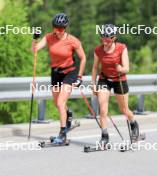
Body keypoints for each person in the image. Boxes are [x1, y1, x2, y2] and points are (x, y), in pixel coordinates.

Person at [32, 13, 86, 144]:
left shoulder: (73, 41)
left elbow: (83, 58)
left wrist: (79, 77)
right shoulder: (49, 37)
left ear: (65, 28)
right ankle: (69, 115)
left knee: (61, 103)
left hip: (69, 73)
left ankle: (62, 135)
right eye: (55, 28)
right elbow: (35, 50)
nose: (58, 31)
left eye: (61, 28)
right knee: (57, 103)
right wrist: (35, 38)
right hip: (55, 73)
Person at [91, 24, 139, 146]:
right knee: (102, 109)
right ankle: (104, 136)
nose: (104, 41)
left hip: (119, 79)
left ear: (113, 38)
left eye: (107, 39)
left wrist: (120, 68)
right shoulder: (98, 50)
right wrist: (93, 83)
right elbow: (95, 67)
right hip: (104, 79)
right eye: (102, 38)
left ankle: (133, 123)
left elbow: (127, 68)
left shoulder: (122, 48)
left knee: (124, 109)